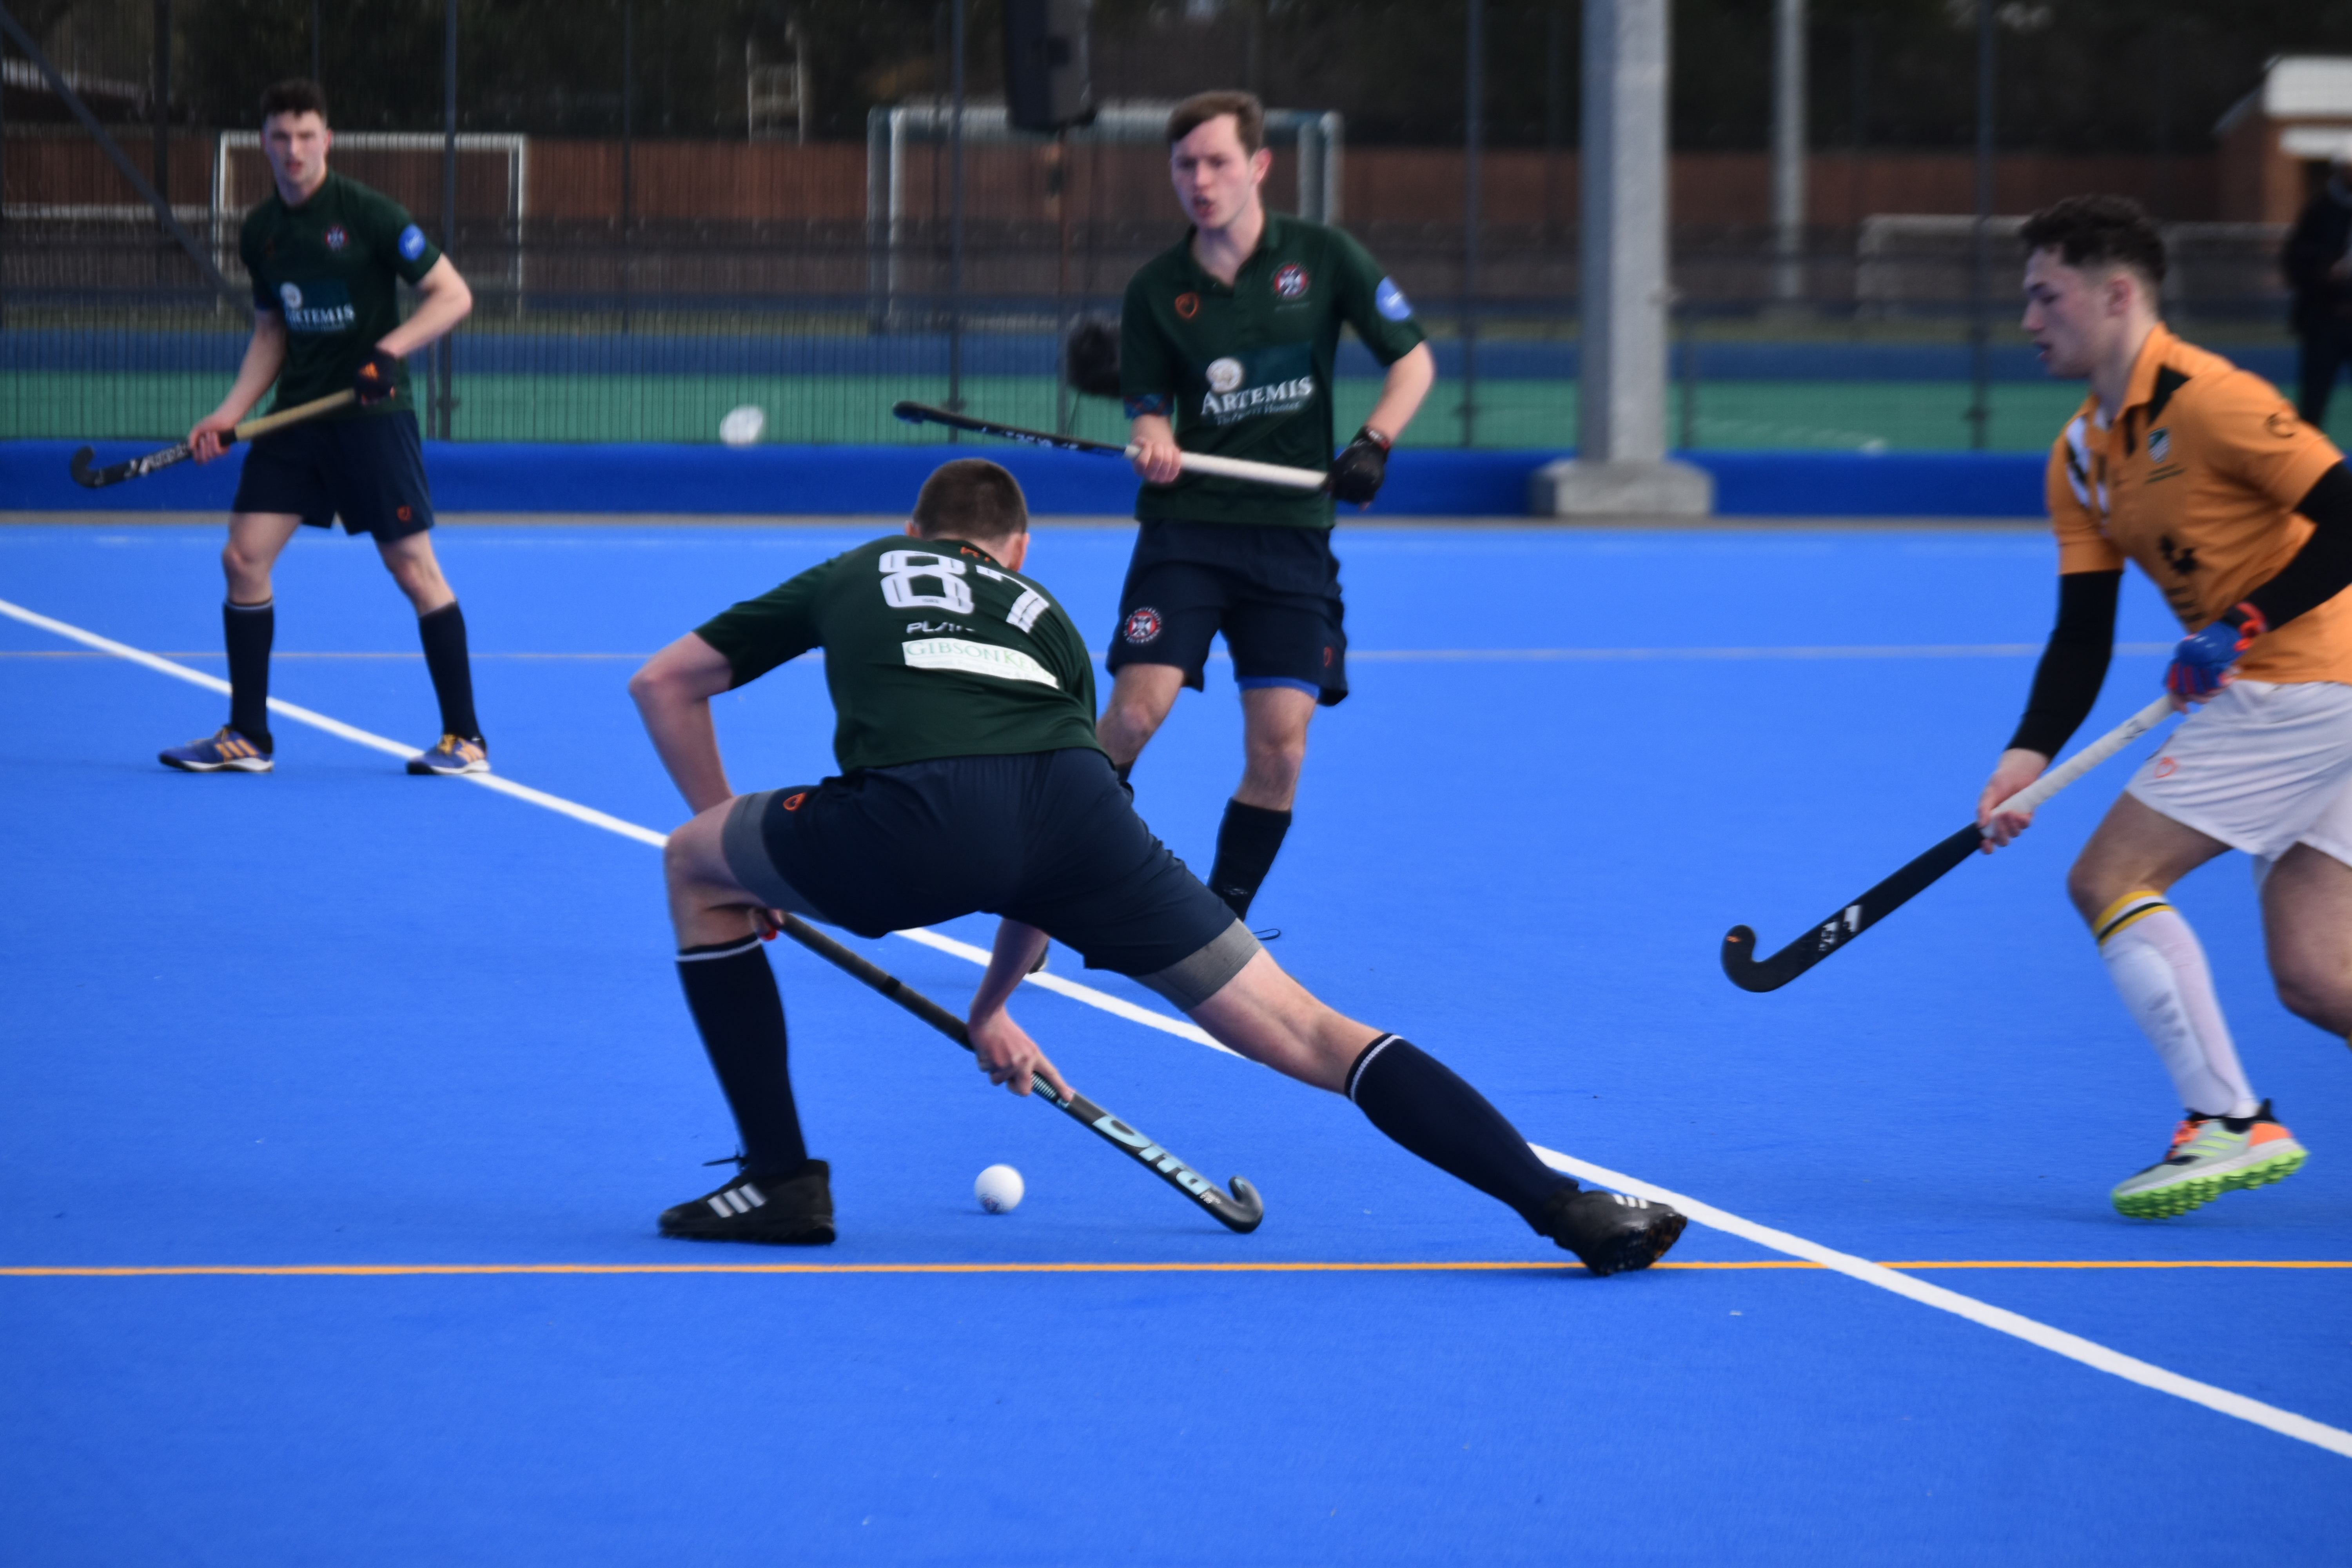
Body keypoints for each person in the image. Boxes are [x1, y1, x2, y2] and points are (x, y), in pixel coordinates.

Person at [626, 457, 1684, 1276]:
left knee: (691, 864)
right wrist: (996, 1000)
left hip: (913, 816)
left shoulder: (863, 565)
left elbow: (664, 684)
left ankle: (781, 1182)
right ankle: (1558, 1203)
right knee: (1311, 1029)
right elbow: (1027, 833)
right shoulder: (1046, 622)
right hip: (1082, 819)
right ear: (1018, 551)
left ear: (917, 534)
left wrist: (742, 859)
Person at [1978, 194, 2352, 1218]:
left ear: (2118, 293)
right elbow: (2083, 630)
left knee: (2111, 877)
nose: (2029, 321)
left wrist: (2245, 619)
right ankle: (2230, 1119)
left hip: (2309, 680)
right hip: (2305, 690)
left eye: (2046, 297)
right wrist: (2028, 757)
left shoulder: (2213, 400)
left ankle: (2227, 1122)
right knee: (2321, 977)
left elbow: (2349, 513)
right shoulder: (2083, 455)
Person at [1105, 90, 1437, 923]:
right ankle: (1049, 892)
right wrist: (1155, 436)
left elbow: (1414, 362)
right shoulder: (1156, 289)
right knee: (1133, 717)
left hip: (1291, 542)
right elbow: (1147, 406)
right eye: (1186, 165)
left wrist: (1373, 442)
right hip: (1188, 534)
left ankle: (1218, 926)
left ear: (1258, 166)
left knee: (1280, 748)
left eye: (1218, 161)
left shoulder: (1324, 259)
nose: (1201, 179)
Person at [160, 78, 486, 776]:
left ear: (327, 141)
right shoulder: (261, 233)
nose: (295, 151)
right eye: (281, 137)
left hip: (372, 417)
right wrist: (232, 412)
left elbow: (453, 294)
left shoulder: (367, 213)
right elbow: (272, 333)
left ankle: (466, 739)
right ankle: (248, 736)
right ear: (264, 145)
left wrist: (388, 351)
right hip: (297, 418)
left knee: (413, 569)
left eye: (307, 137)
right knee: (242, 558)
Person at [2281, 149, 2352, 431]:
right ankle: (2308, 466)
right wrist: (2324, 270)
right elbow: (2295, 258)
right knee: (2313, 403)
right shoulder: (2320, 209)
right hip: (2325, 320)